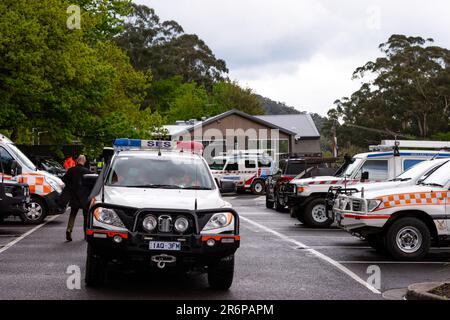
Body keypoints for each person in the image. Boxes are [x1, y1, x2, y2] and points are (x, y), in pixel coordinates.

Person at [62, 155, 91, 242]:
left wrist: (70, 185)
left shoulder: (71, 170)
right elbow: (91, 184)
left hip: (74, 195)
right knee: (86, 216)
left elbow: (63, 179)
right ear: (84, 161)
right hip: (84, 197)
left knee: (73, 214)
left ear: (77, 161)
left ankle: (69, 229)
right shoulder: (87, 172)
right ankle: (86, 235)